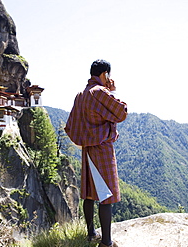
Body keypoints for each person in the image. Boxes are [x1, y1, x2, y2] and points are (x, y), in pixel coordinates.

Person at [65, 59, 127, 247]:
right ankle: (106, 242)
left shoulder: (80, 95)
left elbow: (71, 125)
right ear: (105, 74)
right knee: (105, 195)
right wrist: (112, 91)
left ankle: (91, 233)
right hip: (102, 148)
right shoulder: (99, 92)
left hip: (87, 149)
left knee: (90, 193)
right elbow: (121, 112)